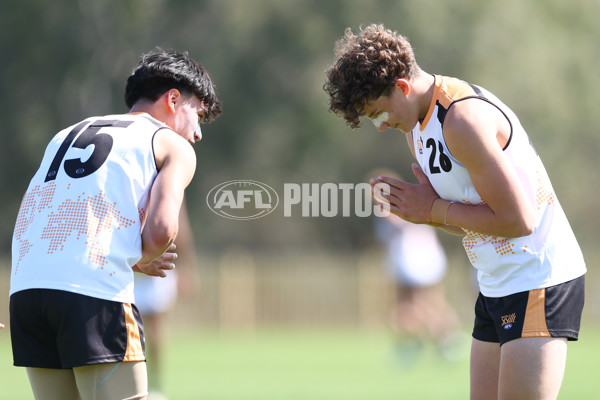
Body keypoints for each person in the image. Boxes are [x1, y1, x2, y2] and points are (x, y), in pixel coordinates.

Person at [324, 24, 586, 399]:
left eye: (378, 114)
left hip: (538, 277)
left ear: (401, 87)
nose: (380, 127)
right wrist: (427, 214)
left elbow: (519, 220)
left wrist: (434, 209)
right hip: (495, 283)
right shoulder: (415, 127)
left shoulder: (460, 120)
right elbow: (472, 221)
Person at [9, 48, 221, 400]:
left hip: (26, 291)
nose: (198, 133)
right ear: (172, 99)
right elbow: (162, 230)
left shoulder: (66, 133)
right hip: (92, 292)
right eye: (197, 114)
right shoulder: (171, 144)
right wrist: (143, 258)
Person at [374, 194, 465, 363]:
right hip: (417, 263)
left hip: (416, 264)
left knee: (418, 306)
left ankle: (438, 340)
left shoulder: (401, 213)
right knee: (425, 304)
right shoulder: (409, 208)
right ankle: (440, 340)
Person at [133, 200, 197, 400]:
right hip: (134, 263)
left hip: (152, 261)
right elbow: (181, 225)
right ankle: (147, 385)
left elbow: (180, 225)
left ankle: (152, 385)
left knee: (150, 330)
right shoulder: (168, 174)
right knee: (143, 331)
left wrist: (187, 266)